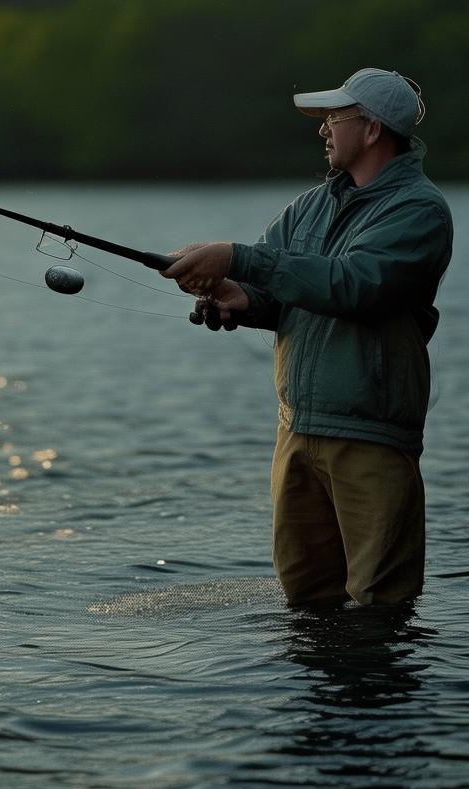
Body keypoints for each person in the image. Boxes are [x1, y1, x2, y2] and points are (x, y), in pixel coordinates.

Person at [162, 68, 453, 607]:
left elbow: (355, 286)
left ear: (371, 130)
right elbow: (274, 289)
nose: (323, 130)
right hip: (297, 431)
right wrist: (237, 297)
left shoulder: (418, 210)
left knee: (378, 605)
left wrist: (239, 257)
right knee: (306, 598)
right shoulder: (310, 206)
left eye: (334, 118)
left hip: (370, 435)